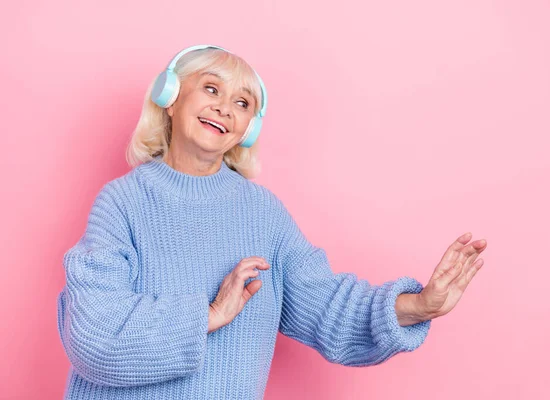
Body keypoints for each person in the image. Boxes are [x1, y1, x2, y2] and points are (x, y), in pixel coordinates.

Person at [56, 44, 487, 400]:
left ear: (248, 127)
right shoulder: (122, 203)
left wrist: (416, 306)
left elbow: (327, 307)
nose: (224, 109)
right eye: (211, 89)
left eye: (242, 103)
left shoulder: (264, 214)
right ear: (169, 97)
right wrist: (206, 314)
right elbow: (94, 338)